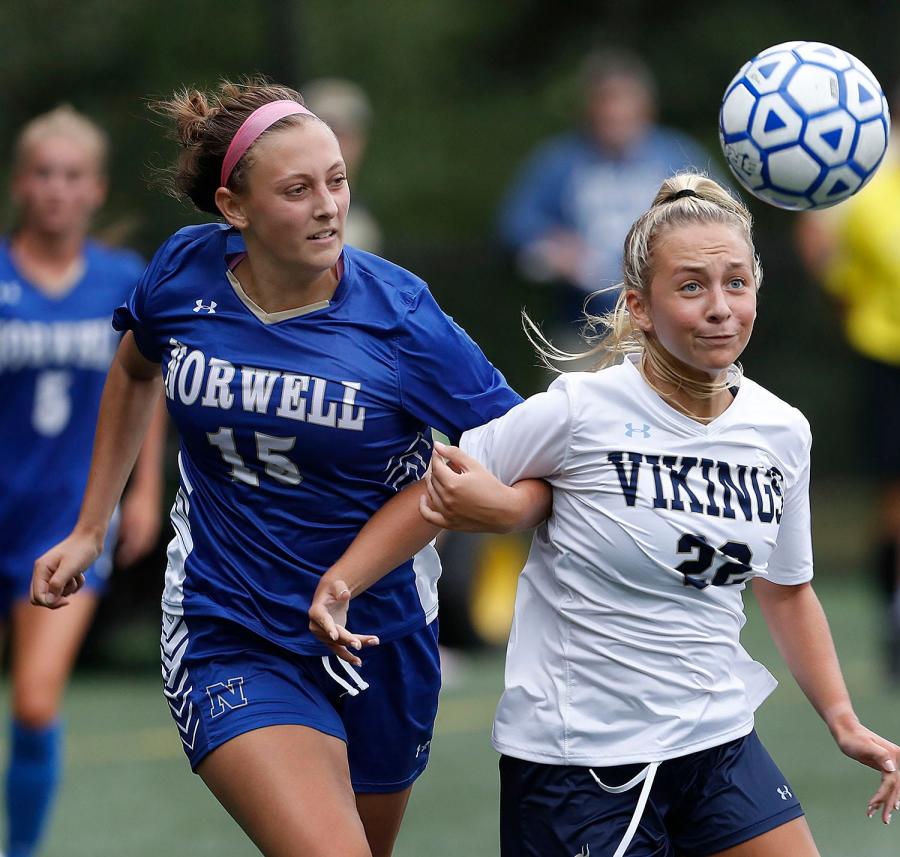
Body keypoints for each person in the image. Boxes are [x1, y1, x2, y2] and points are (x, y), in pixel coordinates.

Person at [29, 80, 547, 857]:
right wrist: (90, 525)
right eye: (298, 189)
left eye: (336, 180)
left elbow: (531, 455)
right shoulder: (184, 275)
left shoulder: (401, 315)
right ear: (235, 207)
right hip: (227, 626)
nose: (328, 206)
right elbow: (135, 370)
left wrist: (502, 509)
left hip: (381, 637)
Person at [316, 174, 900, 856]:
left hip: (716, 742)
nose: (720, 307)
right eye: (691, 286)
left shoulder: (781, 430)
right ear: (640, 306)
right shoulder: (580, 410)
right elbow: (437, 485)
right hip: (581, 763)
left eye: (736, 283)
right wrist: (342, 583)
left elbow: (787, 587)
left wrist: (842, 718)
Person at [0, 105, 167, 857]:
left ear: (96, 189)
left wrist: (141, 491)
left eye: (72, 175)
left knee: (35, 702)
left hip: (64, 522)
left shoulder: (122, 279)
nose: (56, 189)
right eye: (43, 173)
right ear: (19, 183)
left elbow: (144, 383)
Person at [796, 65, 900, 685]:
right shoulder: (870, 197)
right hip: (895, 363)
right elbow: (830, 258)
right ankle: (898, 613)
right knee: (899, 490)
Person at [498, 48, 710, 331]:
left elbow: (725, 215)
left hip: (668, 326)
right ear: (589, 108)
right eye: (606, 101)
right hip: (584, 326)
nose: (615, 112)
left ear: (646, 107)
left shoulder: (676, 156)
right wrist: (553, 245)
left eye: (623, 100)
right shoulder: (561, 161)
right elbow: (514, 223)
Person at [301, 77, 382, 253]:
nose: (334, 143)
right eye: (325, 130)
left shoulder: (361, 223)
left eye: (340, 134)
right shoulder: (283, 209)